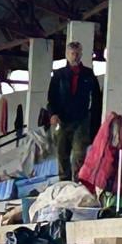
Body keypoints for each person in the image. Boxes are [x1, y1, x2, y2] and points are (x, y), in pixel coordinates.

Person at [47, 41, 101, 182]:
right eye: (72, 53)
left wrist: (94, 123)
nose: (75, 56)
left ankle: (78, 182)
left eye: (77, 53)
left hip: (81, 119)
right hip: (62, 120)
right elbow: (51, 97)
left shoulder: (89, 74)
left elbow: (96, 99)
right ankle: (64, 182)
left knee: (79, 153)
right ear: (67, 55)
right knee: (62, 153)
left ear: (81, 54)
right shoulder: (58, 75)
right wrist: (52, 114)